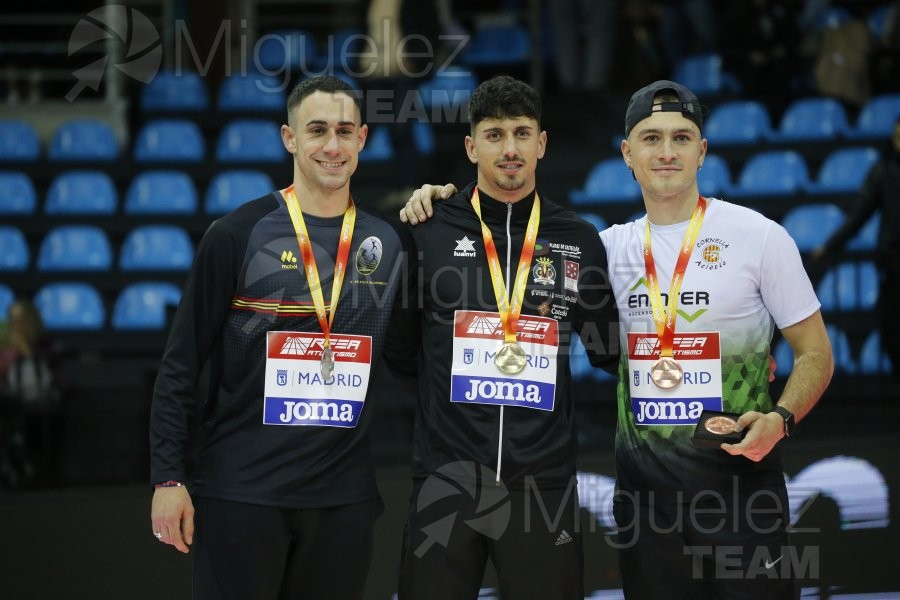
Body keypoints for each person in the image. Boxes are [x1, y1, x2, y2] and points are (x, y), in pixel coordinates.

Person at [402, 80, 833, 598]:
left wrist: (781, 418)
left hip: (740, 491)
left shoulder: (758, 236)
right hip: (645, 504)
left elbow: (815, 351)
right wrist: (435, 200)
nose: (667, 151)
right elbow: (610, 353)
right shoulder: (603, 247)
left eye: (681, 137)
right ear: (628, 153)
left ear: (703, 150)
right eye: (651, 138)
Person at [149, 75, 411, 600]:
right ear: (289, 138)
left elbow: (412, 358)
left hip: (341, 501)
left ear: (363, 138)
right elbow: (180, 366)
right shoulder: (236, 235)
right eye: (316, 130)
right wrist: (168, 478)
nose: (332, 146)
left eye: (343, 131)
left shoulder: (390, 242)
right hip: (241, 496)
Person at [389, 75, 619, 599]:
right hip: (446, 481)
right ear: (471, 147)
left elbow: (607, 350)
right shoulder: (427, 229)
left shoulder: (577, 239)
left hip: (543, 484)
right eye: (494, 134)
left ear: (542, 143)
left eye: (521, 133)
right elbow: (403, 353)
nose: (509, 148)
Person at [813, 115, 900, 371]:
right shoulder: (883, 171)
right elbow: (858, 215)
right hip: (893, 266)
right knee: (892, 330)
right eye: (897, 136)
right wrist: (830, 246)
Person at [0, 298, 63, 490]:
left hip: (43, 415)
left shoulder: (46, 350)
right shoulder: (6, 351)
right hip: (11, 412)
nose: (18, 325)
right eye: (14, 320)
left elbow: (55, 381)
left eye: (22, 320)